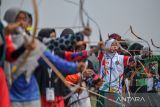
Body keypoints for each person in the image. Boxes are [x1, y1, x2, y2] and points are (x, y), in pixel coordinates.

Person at [3, 7, 86, 107]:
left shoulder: (32, 42)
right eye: (18, 19)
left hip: (32, 96)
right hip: (10, 95)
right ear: (9, 20)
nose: (22, 23)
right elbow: (9, 54)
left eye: (24, 19)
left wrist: (75, 67)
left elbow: (53, 59)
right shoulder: (4, 41)